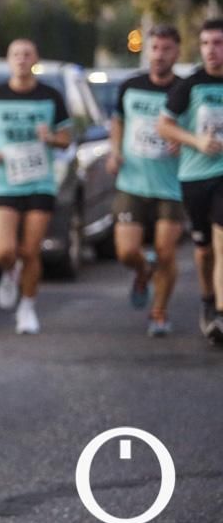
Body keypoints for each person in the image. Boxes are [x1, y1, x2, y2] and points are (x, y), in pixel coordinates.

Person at [0, 38, 73, 334]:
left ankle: (27, 307)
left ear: (35, 59)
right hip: (5, 180)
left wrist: (51, 138)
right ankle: (8, 270)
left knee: (31, 251)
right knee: (3, 251)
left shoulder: (50, 96)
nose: (21, 59)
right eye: (15, 54)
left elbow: (67, 137)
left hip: (40, 181)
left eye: (27, 54)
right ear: (8, 60)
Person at [107, 25, 184, 336]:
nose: (159, 55)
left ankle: (159, 313)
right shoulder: (130, 86)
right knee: (126, 252)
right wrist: (114, 152)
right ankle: (142, 270)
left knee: (166, 253)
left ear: (177, 52)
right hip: (132, 181)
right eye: (154, 48)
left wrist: (184, 141)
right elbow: (118, 122)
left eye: (166, 49)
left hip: (172, 184)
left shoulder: (184, 89)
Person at [157, 17, 223, 343]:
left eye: (219, 43)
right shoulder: (191, 85)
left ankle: (222, 314)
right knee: (204, 248)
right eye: (207, 44)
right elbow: (164, 125)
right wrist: (195, 141)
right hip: (195, 176)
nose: (213, 51)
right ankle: (208, 299)